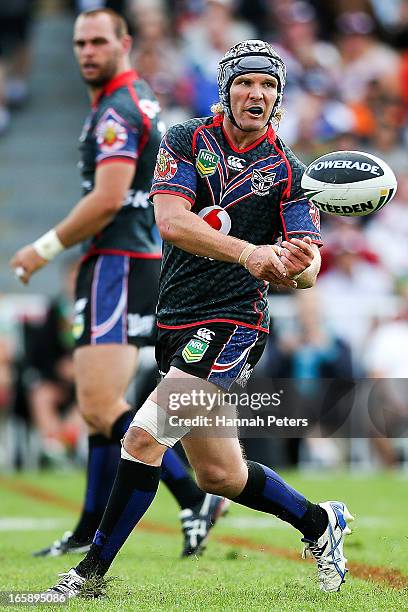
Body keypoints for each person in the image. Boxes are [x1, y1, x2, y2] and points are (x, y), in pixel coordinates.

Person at [45, 39, 354, 598]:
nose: (256, 93)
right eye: (245, 82)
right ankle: (319, 524)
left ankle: (87, 580)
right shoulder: (188, 140)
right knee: (219, 475)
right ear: (226, 88)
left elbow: (305, 270)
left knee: (143, 438)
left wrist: (298, 263)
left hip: (235, 323)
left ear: (279, 99)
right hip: (178, 318)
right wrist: (250, 252)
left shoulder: (290, 171)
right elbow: (171, 221)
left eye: (268, 85)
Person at [10, 8, 226, 559]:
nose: (86, 51)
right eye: (80, 43)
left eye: (98, 41)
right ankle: (88, 526)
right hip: (137, 258)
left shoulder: (117, 110)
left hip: (117, 261)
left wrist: (44, 248)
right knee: (97, 407)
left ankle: (190, 493)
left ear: (123, 42)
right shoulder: (141, 97)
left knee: (102, 403)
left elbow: (107, 198)